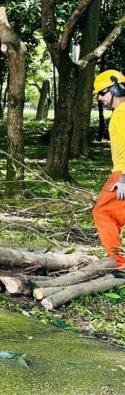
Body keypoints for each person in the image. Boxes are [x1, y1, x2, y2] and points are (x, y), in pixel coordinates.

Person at [92, 69, 125, 277]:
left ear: (116, 87)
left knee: (103, 212)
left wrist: (122, 178)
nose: (101, 99)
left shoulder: (120, 115)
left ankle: (118, 262)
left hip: (122, 173)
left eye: (103, 93)